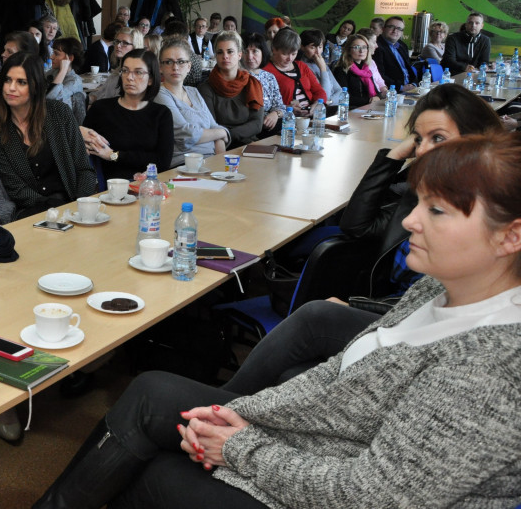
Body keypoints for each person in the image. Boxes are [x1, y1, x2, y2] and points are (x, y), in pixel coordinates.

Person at [33, 131, 521, 509]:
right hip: (316, 445)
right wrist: (246, 413)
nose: (411, 220)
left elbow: (372, 496)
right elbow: (340, 373)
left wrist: (240, 446)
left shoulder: (490, 369)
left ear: (510, 237)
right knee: (152, 392)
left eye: (435, 210)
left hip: (340, 486)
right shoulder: (444, 286)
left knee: (158, 473)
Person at [223, 83, 504, 396]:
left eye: (438, 138)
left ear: (476, 139)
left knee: (315, 319)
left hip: (419, 325)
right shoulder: (420, 192)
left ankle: (225, 406)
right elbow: (356, 225)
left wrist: (356, 304)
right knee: (293, 368)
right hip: (395, 311)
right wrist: (395, 156)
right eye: (418, 139)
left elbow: (439, 302)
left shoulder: (487, 212)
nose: (423, 150)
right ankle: (230, 411)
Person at [0, 51, 96, 219]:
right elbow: (16, 188)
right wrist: (53, 210)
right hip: (31, 211)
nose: (11, 88)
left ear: (35, 86)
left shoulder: (59, 113)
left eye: (21, 82)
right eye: (7, 80)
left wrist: (80, 206)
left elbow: (84, 168)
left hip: (73, 204)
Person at [83, 49, 173, 179]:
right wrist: (80, 132)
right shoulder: (101, 109)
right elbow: (85, 148)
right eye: (125, 71)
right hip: (109, 185)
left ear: (151, 80)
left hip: (148, 184)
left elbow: (163, 161)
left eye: (138, 72)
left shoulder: (161, 114)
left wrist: (114, 155)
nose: (129, 77)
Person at [154, 38, 228, 163]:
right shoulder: (160, 94)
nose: (175, 67)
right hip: (183, 164)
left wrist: (221, 163)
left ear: (189, 67)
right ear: (160, 67)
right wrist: (221, 132)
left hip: (211, 160)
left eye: (181, 62)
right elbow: (186, 136)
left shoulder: (193, 91)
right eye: (168, 62)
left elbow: (214, 126)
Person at [198, 31, 264, 148]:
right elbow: (211, 126)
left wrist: (228, 133)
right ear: (216, 56)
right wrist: (223, 136)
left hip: (248, 144)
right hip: (218, 145)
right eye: (220, 52)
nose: (225, 56)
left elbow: (257, 124)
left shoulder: (252, 84)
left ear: (239, 55)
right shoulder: (206, 88)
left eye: (230, 51)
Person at [262, 27, 326, 116]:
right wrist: (287, 108)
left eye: (294, 54)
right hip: (287, 119)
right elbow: (266, 105)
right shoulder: (266, 71)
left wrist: (317, 104)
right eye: (285, 54)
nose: (290, 58)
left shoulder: (301, 66)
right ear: (274, 49)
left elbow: (319, 91)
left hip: (310, 115)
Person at [240, 32, 283, 135]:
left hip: (270, 125)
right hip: (248, 127)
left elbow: (280, 105)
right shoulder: (237, 76)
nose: (250, 57)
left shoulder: (269, 77)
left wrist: (275, 114)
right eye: (246, 51)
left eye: (255, 51)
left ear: (263, 53)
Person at [331, 33, 385, 108]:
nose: (361, 51)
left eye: (364, 47)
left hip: (369, 107)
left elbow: (376, 92)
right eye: (356, 47)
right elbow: (344, 97)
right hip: (351, 109)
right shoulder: (341, 69)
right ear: (348, 50)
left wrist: (378, 97)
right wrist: (369, 100)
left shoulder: (366, 69)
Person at [46, 37, 87, 125]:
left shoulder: (75, 81)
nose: (51, 57)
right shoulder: (52, 72)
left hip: (63, 126)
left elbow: (52, 98)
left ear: (70, 58)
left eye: (56, 54)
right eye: (53, 52)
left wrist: (63, 70)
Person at [373, 16, 418, 90]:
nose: (395, 31)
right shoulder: (376, 46)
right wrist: (401, 87)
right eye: (391, 27)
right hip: (392, 91)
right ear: (383, 28)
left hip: (409, 88)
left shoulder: (402, 46)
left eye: (399, 29)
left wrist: (413, 84)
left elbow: (408, 69)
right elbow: (379, 75)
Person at [298, 28, 342, 101]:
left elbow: (339, 90)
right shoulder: (302, 67)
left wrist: (330, 102)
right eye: (312, 47)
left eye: (320, 47)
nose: (317, 52)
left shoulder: (321, 62)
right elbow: (325, 95)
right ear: (302, 47)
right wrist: (323, 69)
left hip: (331, 107)